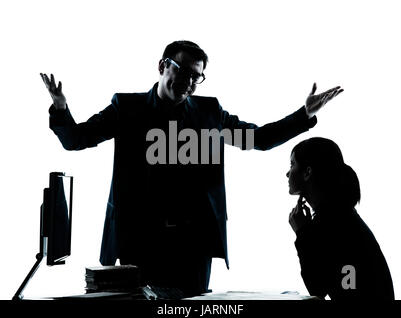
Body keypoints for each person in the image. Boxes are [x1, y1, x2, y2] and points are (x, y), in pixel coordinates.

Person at [41, 40, 343, 297]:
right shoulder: (127, 109)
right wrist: (60, 108)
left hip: (191, 248)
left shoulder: (209, 115)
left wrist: (304, 115)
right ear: (163, 66)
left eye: (196, 77)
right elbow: (77, 140)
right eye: (182, 71)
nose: (187, 82)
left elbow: (258, 139)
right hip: (137, 242)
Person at [287, 137, 394, 300]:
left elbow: (317, 287)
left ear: (308, 172)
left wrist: (303, 234)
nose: (287, 173)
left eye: (292, 164)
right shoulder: (340, 216)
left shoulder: (332, 222)